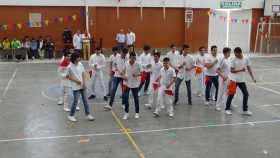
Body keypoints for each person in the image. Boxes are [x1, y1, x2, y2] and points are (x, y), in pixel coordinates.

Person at [225, 47, 256, 116]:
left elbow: (249, 68)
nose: (235, 55)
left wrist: (253, 78)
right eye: (235, 54)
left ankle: (245, 110)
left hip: (241, 80)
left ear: (240, 52)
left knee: (246, 94)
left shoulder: (246, 58)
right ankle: (227, 109)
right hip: (233, 79)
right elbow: (232, 70)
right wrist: (240, 70)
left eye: (236, 54)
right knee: (231, 94)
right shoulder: (233, 59)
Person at [67, 52, 94, 122]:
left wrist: (84, 83)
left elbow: (83, 73)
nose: (80, 58)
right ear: (75, 58)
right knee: (75, 101)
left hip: (82, 85)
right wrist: (77, 81)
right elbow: (69, 77)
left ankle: (88, 114)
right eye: (78, 57)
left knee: (85, 100)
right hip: (75, 87)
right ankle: (71, 115)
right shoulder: (69, 67)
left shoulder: (80, 64)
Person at [122, 52, 141, 120]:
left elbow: (142, 73)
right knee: (126, 98)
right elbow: (123, 71)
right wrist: (124, 76)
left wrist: (137, 75)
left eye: (134, 58)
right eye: (132, 58)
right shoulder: (126, 63)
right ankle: (126, 113)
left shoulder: (138, 64)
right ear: (129, 57)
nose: (133, 59)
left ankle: (137, 112)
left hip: (135, 84)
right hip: (127, 83)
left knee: (136, 99)